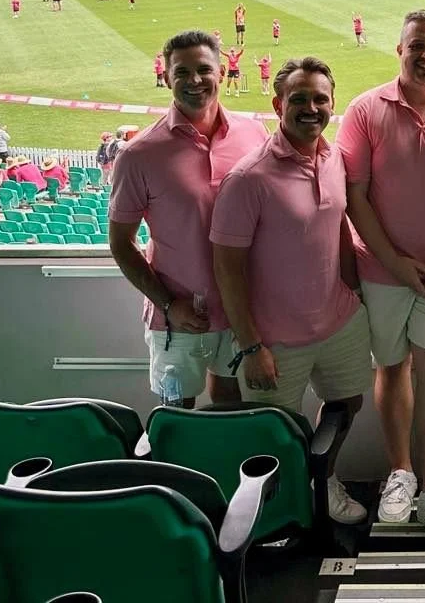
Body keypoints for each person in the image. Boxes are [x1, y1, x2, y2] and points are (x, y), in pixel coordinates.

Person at [337, 12, 425, 547]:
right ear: (398, 48)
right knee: (392, 368)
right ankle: (401, 474)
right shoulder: (365, 109)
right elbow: (356, 198)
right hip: (382, 269)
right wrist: (399, 265)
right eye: (417, 46)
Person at [212, 56, 372, 526]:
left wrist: (353, 289)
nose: (310, 108)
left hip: (338, 321)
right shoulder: (249, 178)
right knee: (274, 435)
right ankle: (287, 507)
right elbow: (228, 268)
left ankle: (323, 479)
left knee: (347, 404)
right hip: (274, 339)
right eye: (298, 99)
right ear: (278, 104)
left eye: (320, 99)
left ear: (332, 104)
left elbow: (337, 224)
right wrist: (251, 344)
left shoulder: (334, 157)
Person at [108, 30, 269, 411]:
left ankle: (223, 473)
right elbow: (121, 243)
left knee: (232, 407)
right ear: (166, 78)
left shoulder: (254, 133)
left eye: (203, 70)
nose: (194, 81)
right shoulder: (138, 154)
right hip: (180, 318)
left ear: (222, 73)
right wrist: (167, 305)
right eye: (182, 72)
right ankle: (173, 475)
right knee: (175, 412)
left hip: (244, 311)